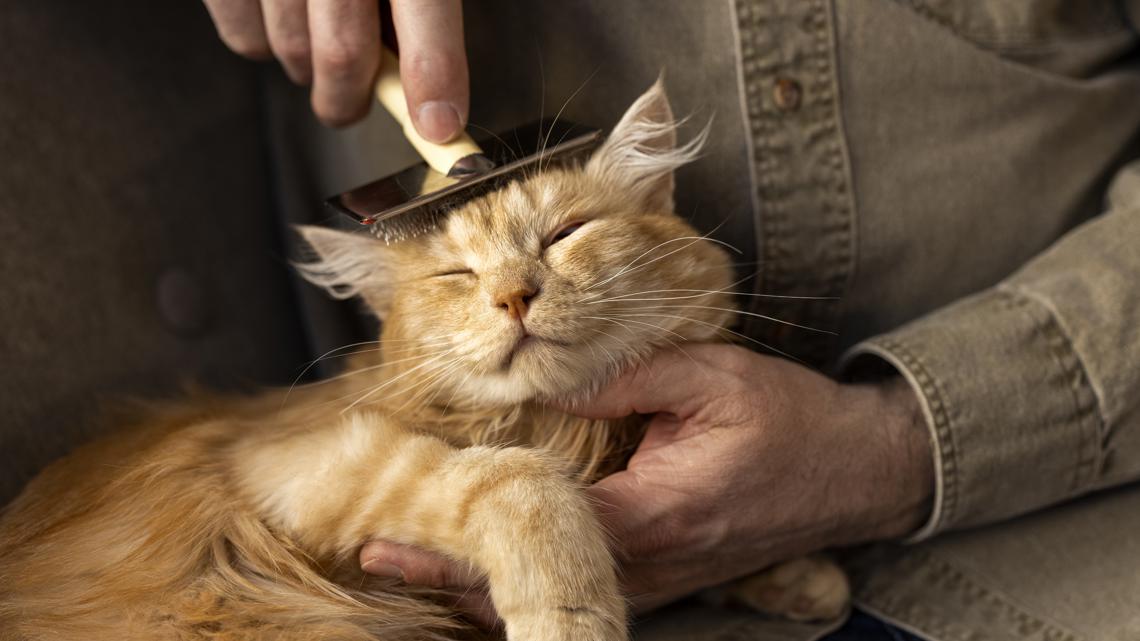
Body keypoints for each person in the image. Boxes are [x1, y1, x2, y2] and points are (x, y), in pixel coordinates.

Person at [3, 2, 1137, 641]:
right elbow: (300, 475)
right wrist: (512, 500)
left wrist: (892, 441)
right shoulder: (371, 414)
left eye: (561, 242)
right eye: (454, 284)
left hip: (1043, 541)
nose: (510, 292)